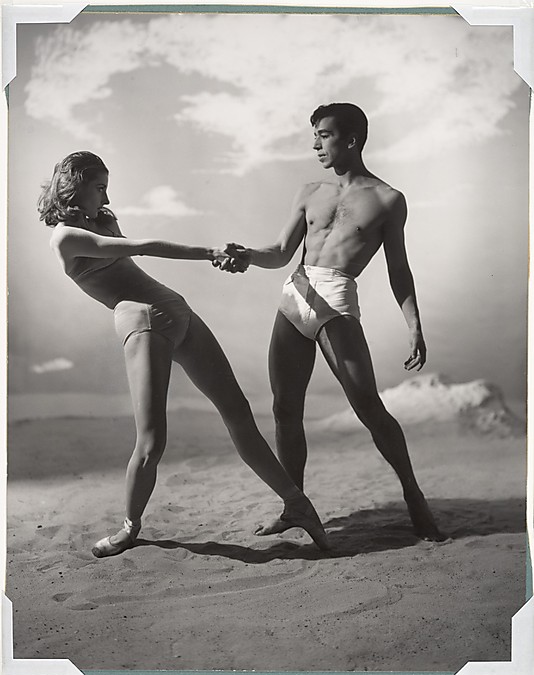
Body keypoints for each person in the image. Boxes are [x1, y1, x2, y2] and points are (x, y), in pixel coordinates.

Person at [37, 151, 329, 558]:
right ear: (75, 185)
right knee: (152, 442)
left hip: (177, 312)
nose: (106, 194)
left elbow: (124, 245)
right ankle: (129, 527)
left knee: (238, 411)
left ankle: (297, 504)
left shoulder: (96, 219)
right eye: (99, 186)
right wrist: (210, 252)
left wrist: (104, 214)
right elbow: (141, 247)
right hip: (144, 324)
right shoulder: (67, 237)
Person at [217, 103, 445, 542]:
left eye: (324, 135)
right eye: (315, 135)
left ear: (352, 139)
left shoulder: (388, 200)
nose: (316, 143)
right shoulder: (309, 192)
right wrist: (245, 253)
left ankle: (414, 496)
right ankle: (295, 505)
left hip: (337, 301)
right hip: (294, 297)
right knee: (285, 408)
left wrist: (414, 324)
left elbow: (399, 268)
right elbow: (281, 252)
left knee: (368, 407)